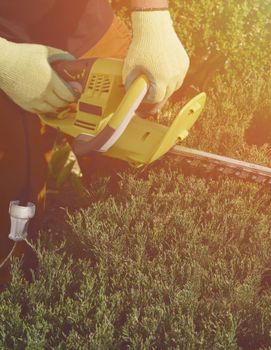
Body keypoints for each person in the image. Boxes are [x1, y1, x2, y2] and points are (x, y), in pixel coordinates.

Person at [0, 0, 190, 286]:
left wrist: (153, 19)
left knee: (144, 185)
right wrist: (5, 62)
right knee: (11, 223)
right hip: (9, 60)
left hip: (94, 34)